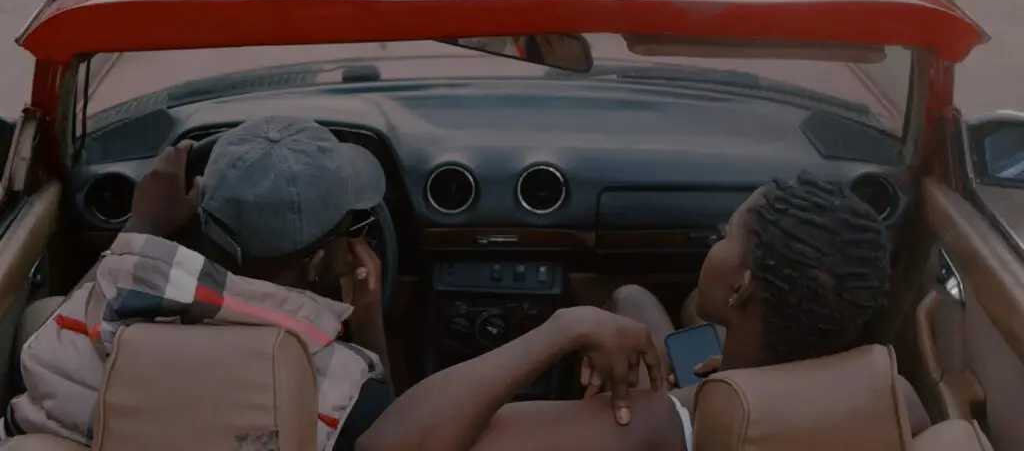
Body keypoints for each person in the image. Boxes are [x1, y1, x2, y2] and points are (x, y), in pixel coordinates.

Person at [354, 172, 912, 451]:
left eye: (726, 234)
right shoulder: (892, 400)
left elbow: (385, 446)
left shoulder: (656, 424)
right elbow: (688, 313)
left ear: (742, 288)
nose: (714, 242)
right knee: (636, 298)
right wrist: (632, 305)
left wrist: (564, 328)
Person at [7, 116, 393, 451]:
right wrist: (369, 328)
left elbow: (68, 326)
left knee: (41, 311)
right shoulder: (341, 385)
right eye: (352, 228)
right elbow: (384, 435)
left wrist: (142, 226)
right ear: (319, 261)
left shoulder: (84, 327)